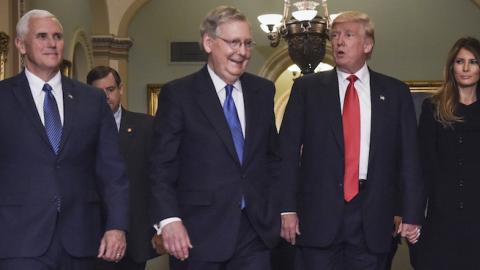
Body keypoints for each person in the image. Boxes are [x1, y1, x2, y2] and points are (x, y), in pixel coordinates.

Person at [279, 11, 426, 270]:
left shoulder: (395, 92)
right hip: (317, 219)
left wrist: (411, 213)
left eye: (348, 35)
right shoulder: (307, 89)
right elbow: (287, 153)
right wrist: (286, 209)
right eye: (334, 35)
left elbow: (409, 158)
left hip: (373, 221)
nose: (338, 42)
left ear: (367, 45)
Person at [149, 5, 281, 270]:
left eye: (247, 43)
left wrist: (276, 208)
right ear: (209, 43)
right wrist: (169, 220)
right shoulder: (179, 95)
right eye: (233, 42)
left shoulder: (263, 91)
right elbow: (161, 165)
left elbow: (272, 158)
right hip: (198, 234)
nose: (242, 52)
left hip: (255, 232)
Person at [0, 9, 129, 269]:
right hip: (19, 240)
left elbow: (112, 171)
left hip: (82, 239)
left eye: (58, 36)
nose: (52, 43)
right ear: (20, 45)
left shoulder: (92, 100)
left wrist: (116, 226)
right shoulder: (3, 98)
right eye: (42, 36)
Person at [415, 36, 480, 269]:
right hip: (442, 221)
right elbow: (421, 167)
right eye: (460, 61)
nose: (465, 68)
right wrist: (412, 216)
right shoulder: (432, 108)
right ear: (451, 66)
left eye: (473, 62)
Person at [87, 66, 155, 270]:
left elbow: (158, 178)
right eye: (99, 92)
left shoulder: (146, 126)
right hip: (91, 237)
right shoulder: (78, 128)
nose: (106, 97)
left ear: (121, 89)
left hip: (134, 236)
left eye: (110, 90)